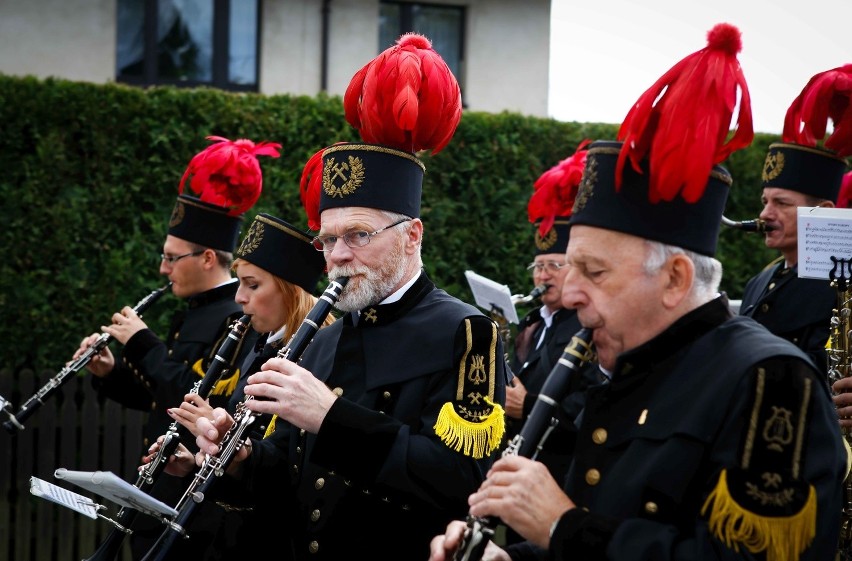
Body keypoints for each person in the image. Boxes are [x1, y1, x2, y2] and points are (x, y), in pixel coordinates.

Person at [429, 23, 847, 561]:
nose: (572, 293)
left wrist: (561, 527)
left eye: (595, 272)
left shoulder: (771, 383)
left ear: (675, 278)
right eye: (570, 268)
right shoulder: (625, 368)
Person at [190, 32, 508, 561]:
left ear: (412, 236)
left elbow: (463, 481)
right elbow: (292, 478)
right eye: (328, 239)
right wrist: (239, 457)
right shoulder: (323, 337)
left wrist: (331, 417)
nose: (337, 255)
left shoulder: (468, 333)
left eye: (358, 235)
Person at [73, 135, 280, 559]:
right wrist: (111, 372)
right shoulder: (190, 311)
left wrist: (142, 342)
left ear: (207, 258)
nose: (163, 269)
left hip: (197, 504)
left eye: (172, 258)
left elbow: (198, 393)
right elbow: (161, 400)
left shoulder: (238, 315)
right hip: (160, 484)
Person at [145, 211, 333, 560]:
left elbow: (290, 472)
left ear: (290, 291)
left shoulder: (315, 357)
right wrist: (195, 461)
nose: (239, 298)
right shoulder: (259, 349)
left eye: (253, 284)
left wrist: (227, 438)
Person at [740, 64, 852, 377]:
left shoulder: (844, 284)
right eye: (765, 202)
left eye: (782, 203)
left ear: (824, 209)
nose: (765, 214)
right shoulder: (760, 281)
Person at [505, 142, 601, 493]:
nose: (542, 276)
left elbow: (587, 407)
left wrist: (526, 407)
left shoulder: (588, 323)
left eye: (553, 267)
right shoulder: (534, 320)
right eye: (538, 266)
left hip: (561, 475)